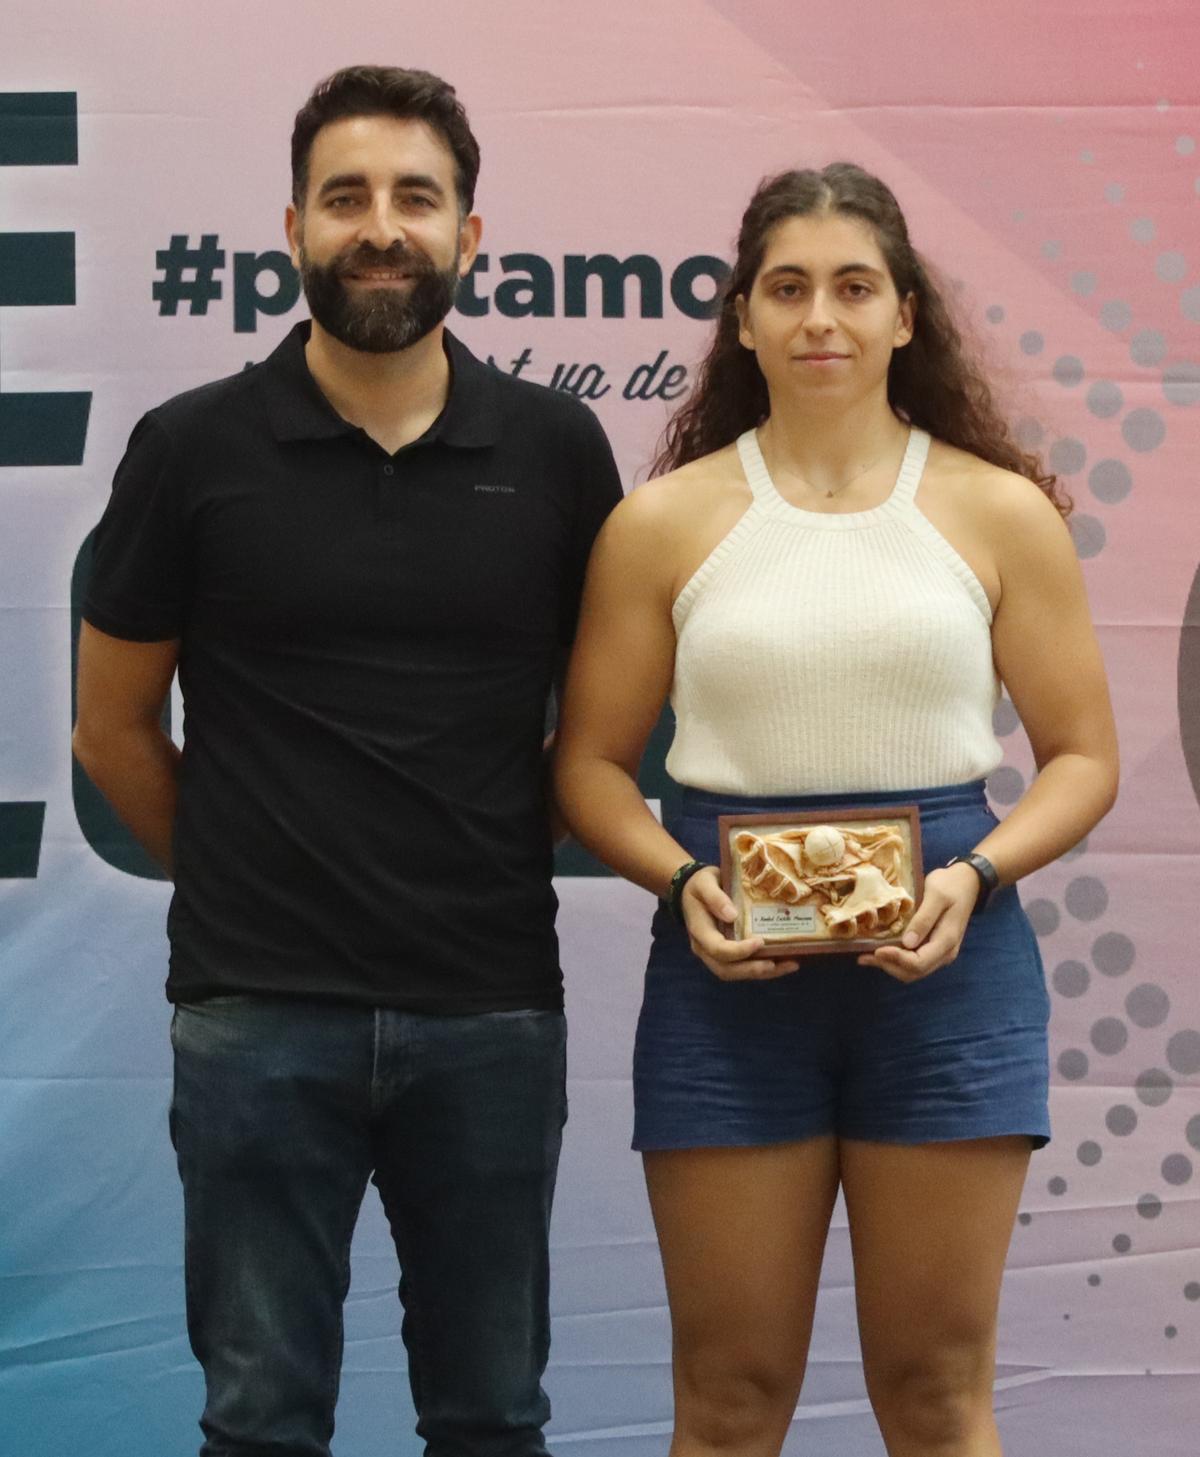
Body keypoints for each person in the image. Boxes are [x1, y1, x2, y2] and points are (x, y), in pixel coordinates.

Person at [73, 64, 622, 1457]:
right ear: (294, 227)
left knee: (491, 1417)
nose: (381, 227)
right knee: (260, 1421)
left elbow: (609, 729)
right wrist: (254, 871)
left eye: (416, 198)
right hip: (258, 1018)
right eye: (347, 198)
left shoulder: (558, 452)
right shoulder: (191, 448)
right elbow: (112, 729)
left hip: (491, 1011)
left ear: (471, 235)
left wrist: (482, 845)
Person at [553, 163, 1118, 1457]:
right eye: (789, 288)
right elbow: (588, 766)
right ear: (741, 317)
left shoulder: (996, 512)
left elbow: (1084, 755)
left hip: (952, 977)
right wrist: (676, 877)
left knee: (933, 1394)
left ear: (905, 316)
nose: (822, 318)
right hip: (722, 981)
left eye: (854, 287)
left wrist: (972, 876)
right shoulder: (663, 525)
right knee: (731, 1398)